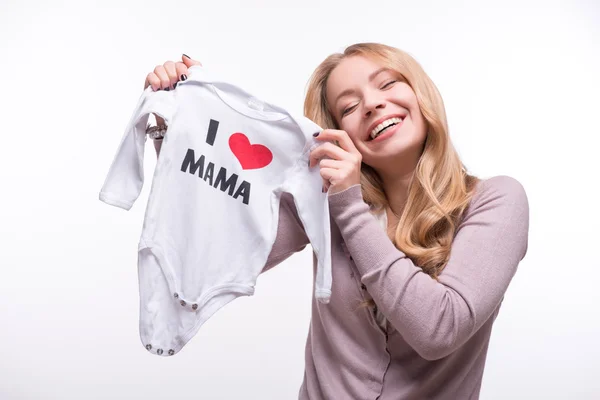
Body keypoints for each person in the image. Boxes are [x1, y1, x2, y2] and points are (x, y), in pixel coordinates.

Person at [143, 43, 529, 399]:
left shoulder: (495, 201)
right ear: (338, 134)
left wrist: (348, 203)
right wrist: (176, 133)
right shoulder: (322, 199)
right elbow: (217, 253)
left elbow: (439, 329)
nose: (372, 105)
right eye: (348, 107)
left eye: (388, 84)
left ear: (420, 93)